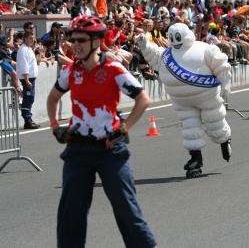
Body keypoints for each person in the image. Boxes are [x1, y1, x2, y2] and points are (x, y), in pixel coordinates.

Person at [46, 15, 157, 248]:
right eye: (72, 39)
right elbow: (53, 97)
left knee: (126, 208)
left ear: (96, 42)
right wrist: (55, 126)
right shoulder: (70, 71)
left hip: (110, 149)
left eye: (81, 40)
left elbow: (142, 100)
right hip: (78, 149)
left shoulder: (113, 69)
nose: (74, 45)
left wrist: (125, 128)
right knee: (70, 213)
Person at [138, 23, 232, 178]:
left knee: (215, 122)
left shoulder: (203, 48)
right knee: (190, 130)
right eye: (172, 37)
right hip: (183, 102)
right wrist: (144, 45)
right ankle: (196, 159)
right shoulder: (167, 54)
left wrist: (225, 83)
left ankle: (224, 141)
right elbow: (154, 56)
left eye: (178, 36)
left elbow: (221, 64)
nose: (176, 40)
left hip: (207, 96)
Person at [16, 32, 40, 129]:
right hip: (27, 79)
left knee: (30, 98)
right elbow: (24, 65)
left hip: (31, 78)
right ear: (25, 38)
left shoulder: (29, 49)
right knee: (28, 98)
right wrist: (26, 80)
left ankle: (29, 119)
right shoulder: (23, 50)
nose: (32, 40)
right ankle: (27, 119)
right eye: (30, 38)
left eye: (33, 38)